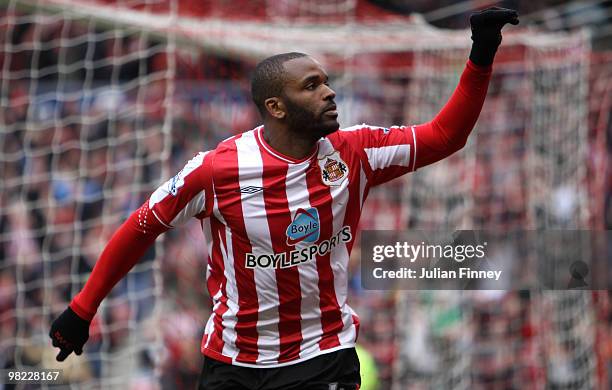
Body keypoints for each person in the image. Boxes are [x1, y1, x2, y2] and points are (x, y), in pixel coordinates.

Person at [50, 7, 519, 389]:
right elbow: (142, 225)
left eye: (326, 81)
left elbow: (445, 135)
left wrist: (481, 53)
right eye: (312, 86)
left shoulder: (356, 151)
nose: (330, 92)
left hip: (324, 356)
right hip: (234, 362)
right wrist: (82, 309)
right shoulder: (218, 169)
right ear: (276, 107)